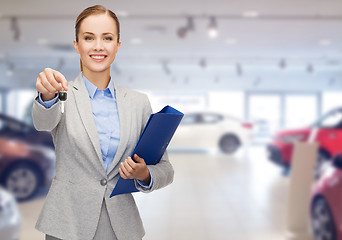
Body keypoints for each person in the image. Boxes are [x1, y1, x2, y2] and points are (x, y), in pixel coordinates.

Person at [32, 5, 174, 240]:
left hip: (121, 226)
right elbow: (43, 122)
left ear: (118, 45)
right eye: (89, 38)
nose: (98, 46)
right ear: (77, 44)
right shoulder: (61, 92)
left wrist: (144, 174)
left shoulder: (138, 103)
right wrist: (47, 96)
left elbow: (166, 170)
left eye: (107, 38)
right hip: (67, 225)